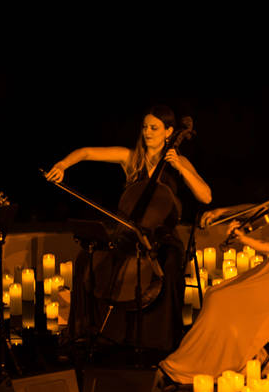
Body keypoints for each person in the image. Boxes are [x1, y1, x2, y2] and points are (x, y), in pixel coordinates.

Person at [45, 105, 212, 353]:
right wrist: (62, 164)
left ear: (169, 132)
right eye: (145, 127)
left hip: (161, 236)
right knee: (86, 260)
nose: (147, 132)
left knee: (168, 264)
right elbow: (87, 152)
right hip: (128, 231)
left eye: (154, 128)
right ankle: (89, 331)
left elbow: (206, 197)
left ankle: (157, 341)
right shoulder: (131, 158)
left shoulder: (179, 162)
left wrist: (182, 168)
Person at [159, 151, 269, 384]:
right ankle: (205, 358)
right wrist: (223, 211)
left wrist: (243, 237)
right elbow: (258, 210)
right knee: (214, 294)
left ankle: (206, 363)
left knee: (220, 301)